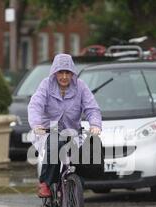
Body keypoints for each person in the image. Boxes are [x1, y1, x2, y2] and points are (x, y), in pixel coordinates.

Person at [28, 53, 102, 197]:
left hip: (72, 133)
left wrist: (95, 124)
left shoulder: (80, 86)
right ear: (55, 73)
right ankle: (45, 183)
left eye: (67, 72)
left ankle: (75, 194)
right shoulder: (46, 85)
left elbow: (92, 108)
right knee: (55, 143)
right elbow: (35, 106)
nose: (64, 76)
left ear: (72, 73)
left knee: (82, 156)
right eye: (60, 72)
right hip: (48, 132)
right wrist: (36, 124)